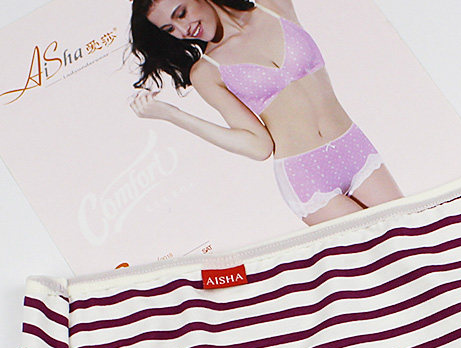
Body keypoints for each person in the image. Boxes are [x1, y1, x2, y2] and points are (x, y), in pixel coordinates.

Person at [128, 0, 403, 225]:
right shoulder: (207, 71)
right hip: (307, 175)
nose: (183, 29)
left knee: (413, 236)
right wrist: (173, 115)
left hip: (354, 148)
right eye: (170, 28)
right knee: (380, 258)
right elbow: (259, 147)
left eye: (181, 13)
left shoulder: (273, 6)